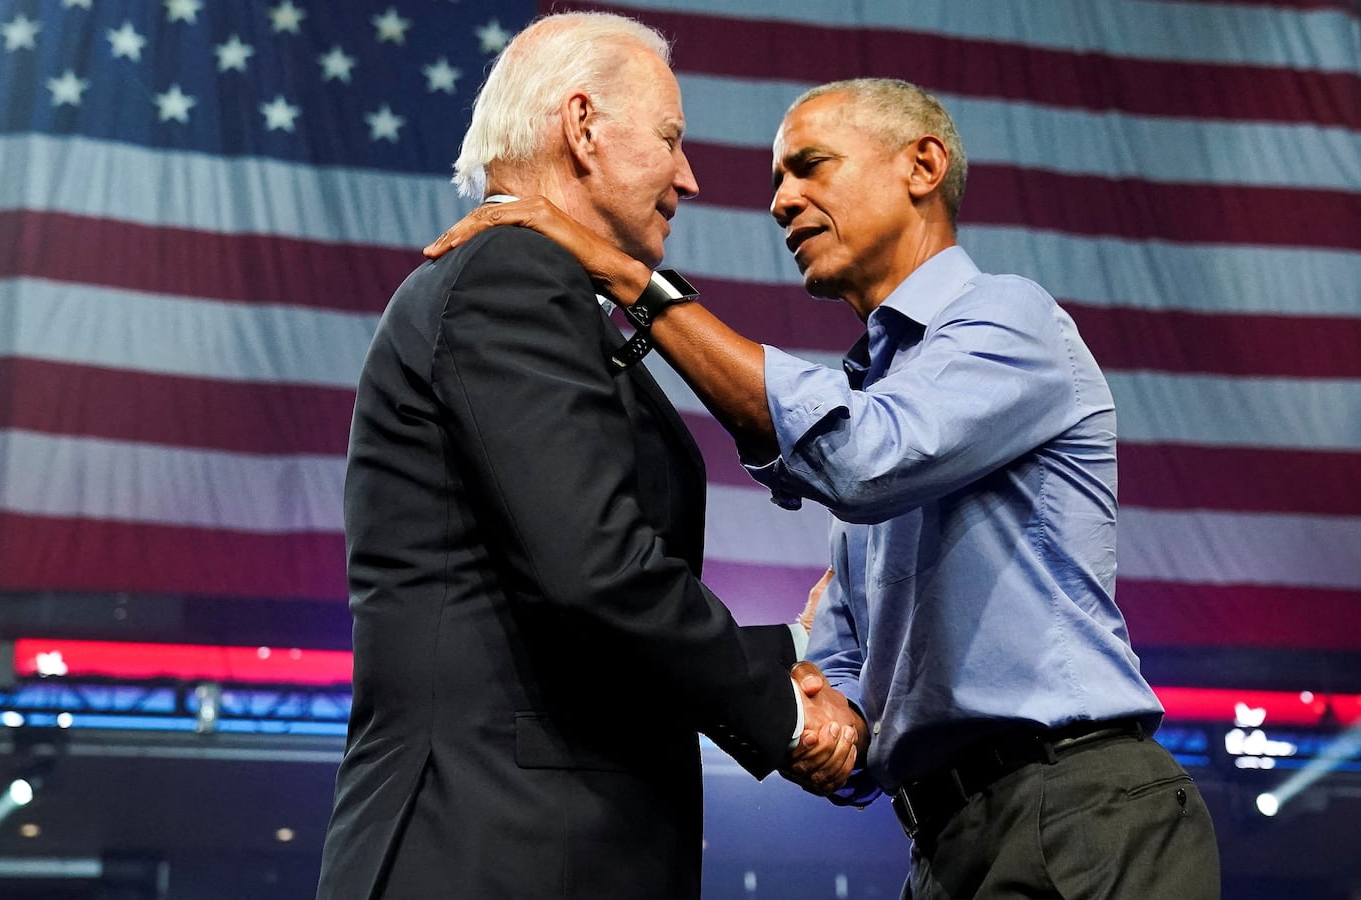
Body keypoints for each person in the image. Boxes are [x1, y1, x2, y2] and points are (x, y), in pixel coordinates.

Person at [427, 77, 1221, 899]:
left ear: (922, 166)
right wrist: (806, 716)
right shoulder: (883, 399)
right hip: (945, 842)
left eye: (809, 167)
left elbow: (862, 458)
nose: (780, 201)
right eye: (777, 179)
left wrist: (629, 278)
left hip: (1078, 806)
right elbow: (845, 670)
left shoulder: (1013, 323)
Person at [315, 14, 861, 900]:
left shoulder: (544, 289)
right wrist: (788, 708)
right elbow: (596, 570)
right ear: (582, 127)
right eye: (670, 139)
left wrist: (799, 646)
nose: (687, 177)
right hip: (492, 849)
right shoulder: (507, 280)